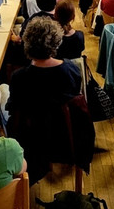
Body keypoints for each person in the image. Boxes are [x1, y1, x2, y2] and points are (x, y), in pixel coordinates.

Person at [6, 17, 93, 184]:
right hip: (65, 137)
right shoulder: (71, 70)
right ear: (56, 42)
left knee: (3, 94)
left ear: (27, 43)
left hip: (32, 140)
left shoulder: (19, 77)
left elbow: (14, 109)